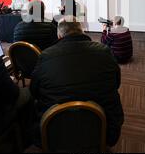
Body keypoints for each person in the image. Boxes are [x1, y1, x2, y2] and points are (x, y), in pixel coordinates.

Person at [30, 16, 124, 147]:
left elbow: (34, 91)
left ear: (59, 35)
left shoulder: (45, 56)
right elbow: (116, 83)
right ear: (82, 31)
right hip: (103, 130)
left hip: (54, 131)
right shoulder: (104, 51)